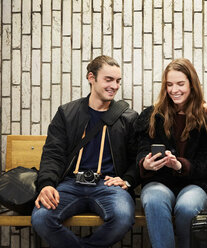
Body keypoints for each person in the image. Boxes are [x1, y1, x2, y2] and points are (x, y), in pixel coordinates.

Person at [31, 55, 139, 248]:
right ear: (91, 77)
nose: (114, 86)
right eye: (108, 80)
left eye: (118, 81)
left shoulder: (128, 117)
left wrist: (127, 178)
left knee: (123, 217)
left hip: (109, 186)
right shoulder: (67, 113)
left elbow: (137, 156)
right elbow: (53, 153)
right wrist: (46, 184)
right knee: (41, 218)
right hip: (70, 184)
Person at [134, 58, 207, 248]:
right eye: (169, 84)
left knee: (187, 207)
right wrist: (145, 163)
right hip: (159, 181)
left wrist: (179, 165)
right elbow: (142, 149)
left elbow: (205, 164)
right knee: (153, 200)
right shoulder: (152, 116)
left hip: (196, 184)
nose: (174, 90)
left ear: (192, 84)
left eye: (180, 84)